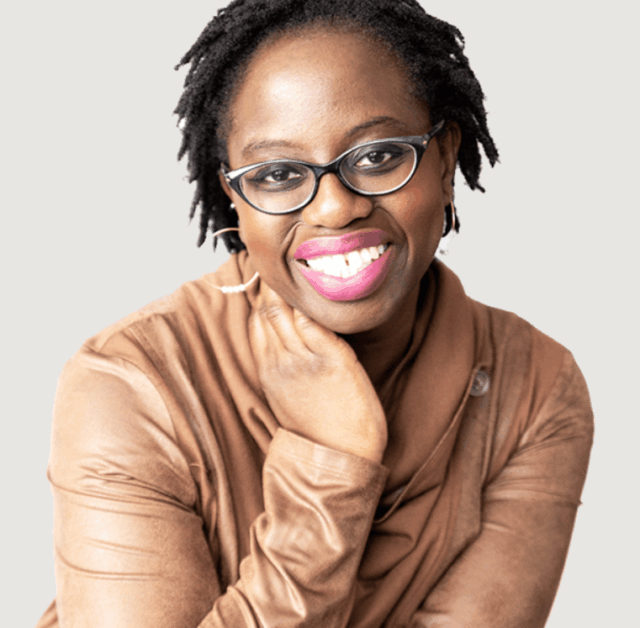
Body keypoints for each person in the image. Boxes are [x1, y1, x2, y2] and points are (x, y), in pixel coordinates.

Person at [35, 0, 594, 626]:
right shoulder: (130, 383)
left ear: (443, 161)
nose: (334, 208)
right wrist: (329, 466)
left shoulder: (535, 387)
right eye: (277, 173)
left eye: (377, 156)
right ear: (234, 197)